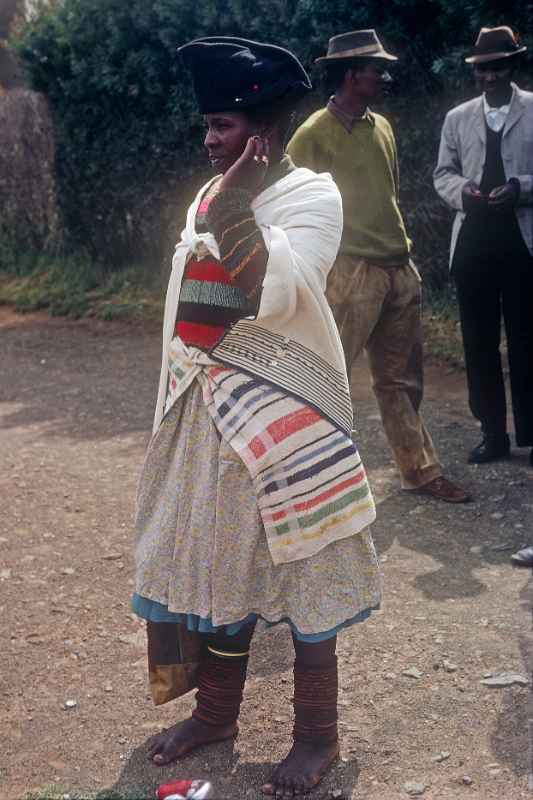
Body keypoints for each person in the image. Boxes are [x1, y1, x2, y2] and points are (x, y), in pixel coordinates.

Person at [132, 36, 382, 798]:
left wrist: (239, 200)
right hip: (206, 412)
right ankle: (215, 715)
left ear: (263, 133)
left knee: (306, 568)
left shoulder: (312, 195)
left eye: (224, 126)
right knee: (217, 563)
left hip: (286, 419)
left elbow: (278, 288)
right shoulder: (204, 198)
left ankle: (316, 734)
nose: (210, 141)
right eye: (206, 127)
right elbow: (189, 308)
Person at [286, 30, 470, 503]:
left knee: (402, 380)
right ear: (351, 76)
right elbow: (293, 207)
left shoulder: (382, 126)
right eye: (376, 70)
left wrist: (402, 258)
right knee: (328, 375)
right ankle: (306, 475)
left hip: (398, 267)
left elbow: (389, 193)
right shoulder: (311, 135)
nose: (385, 77)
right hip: (350, 273)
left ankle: (420, 470)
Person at [434, 26, 533, 467]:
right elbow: (443, 174)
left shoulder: (532, 110)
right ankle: (493, 434)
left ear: (512, 66)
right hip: (473, 242)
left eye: (497, 68)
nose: (489, 77)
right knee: (478, 343)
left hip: (522, 242)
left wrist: (521, 186)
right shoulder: (458, 118)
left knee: (528, 341)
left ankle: (531, 435)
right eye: (481, 70)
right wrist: (464, 194)